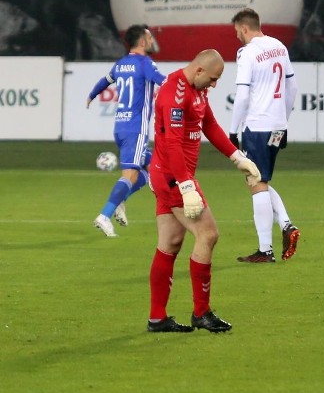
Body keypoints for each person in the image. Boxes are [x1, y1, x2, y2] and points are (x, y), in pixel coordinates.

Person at [146, 49, 261, 333]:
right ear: (198, 70)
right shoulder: (175, 92)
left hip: (171, 175)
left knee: (170, 242)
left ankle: (157, 318)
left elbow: (209, 124)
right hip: (173, 177)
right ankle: (202, 312)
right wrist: (186, 187)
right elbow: (172, 144)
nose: (214, 85)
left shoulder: (198, 91)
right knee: (208, 235)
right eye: (212, 79)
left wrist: (238, 158)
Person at [228, 8, 301, 263]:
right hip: (277, 125)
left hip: (257, 126)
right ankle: (287, 225)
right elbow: (292, 86)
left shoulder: (248, 53)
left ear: (245, 28)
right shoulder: (279, 46)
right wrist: (284, 117)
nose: (237, 35)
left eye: (237, 31)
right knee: (263, 179)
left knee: (255, 183)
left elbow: (243, 95)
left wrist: (232, 130)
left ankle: (265, 250)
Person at [87, 24, 165, 237]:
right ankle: (104, 215)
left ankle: (121, 199)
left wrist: (92, 95)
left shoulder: (121, 64)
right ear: (141, 41)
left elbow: (105, 81)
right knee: (130, 174)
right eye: (149, 37)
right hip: (136, 129)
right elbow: (163, 81)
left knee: (152, 165)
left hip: (120, 127)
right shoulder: (145, 63)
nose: (151, 40)